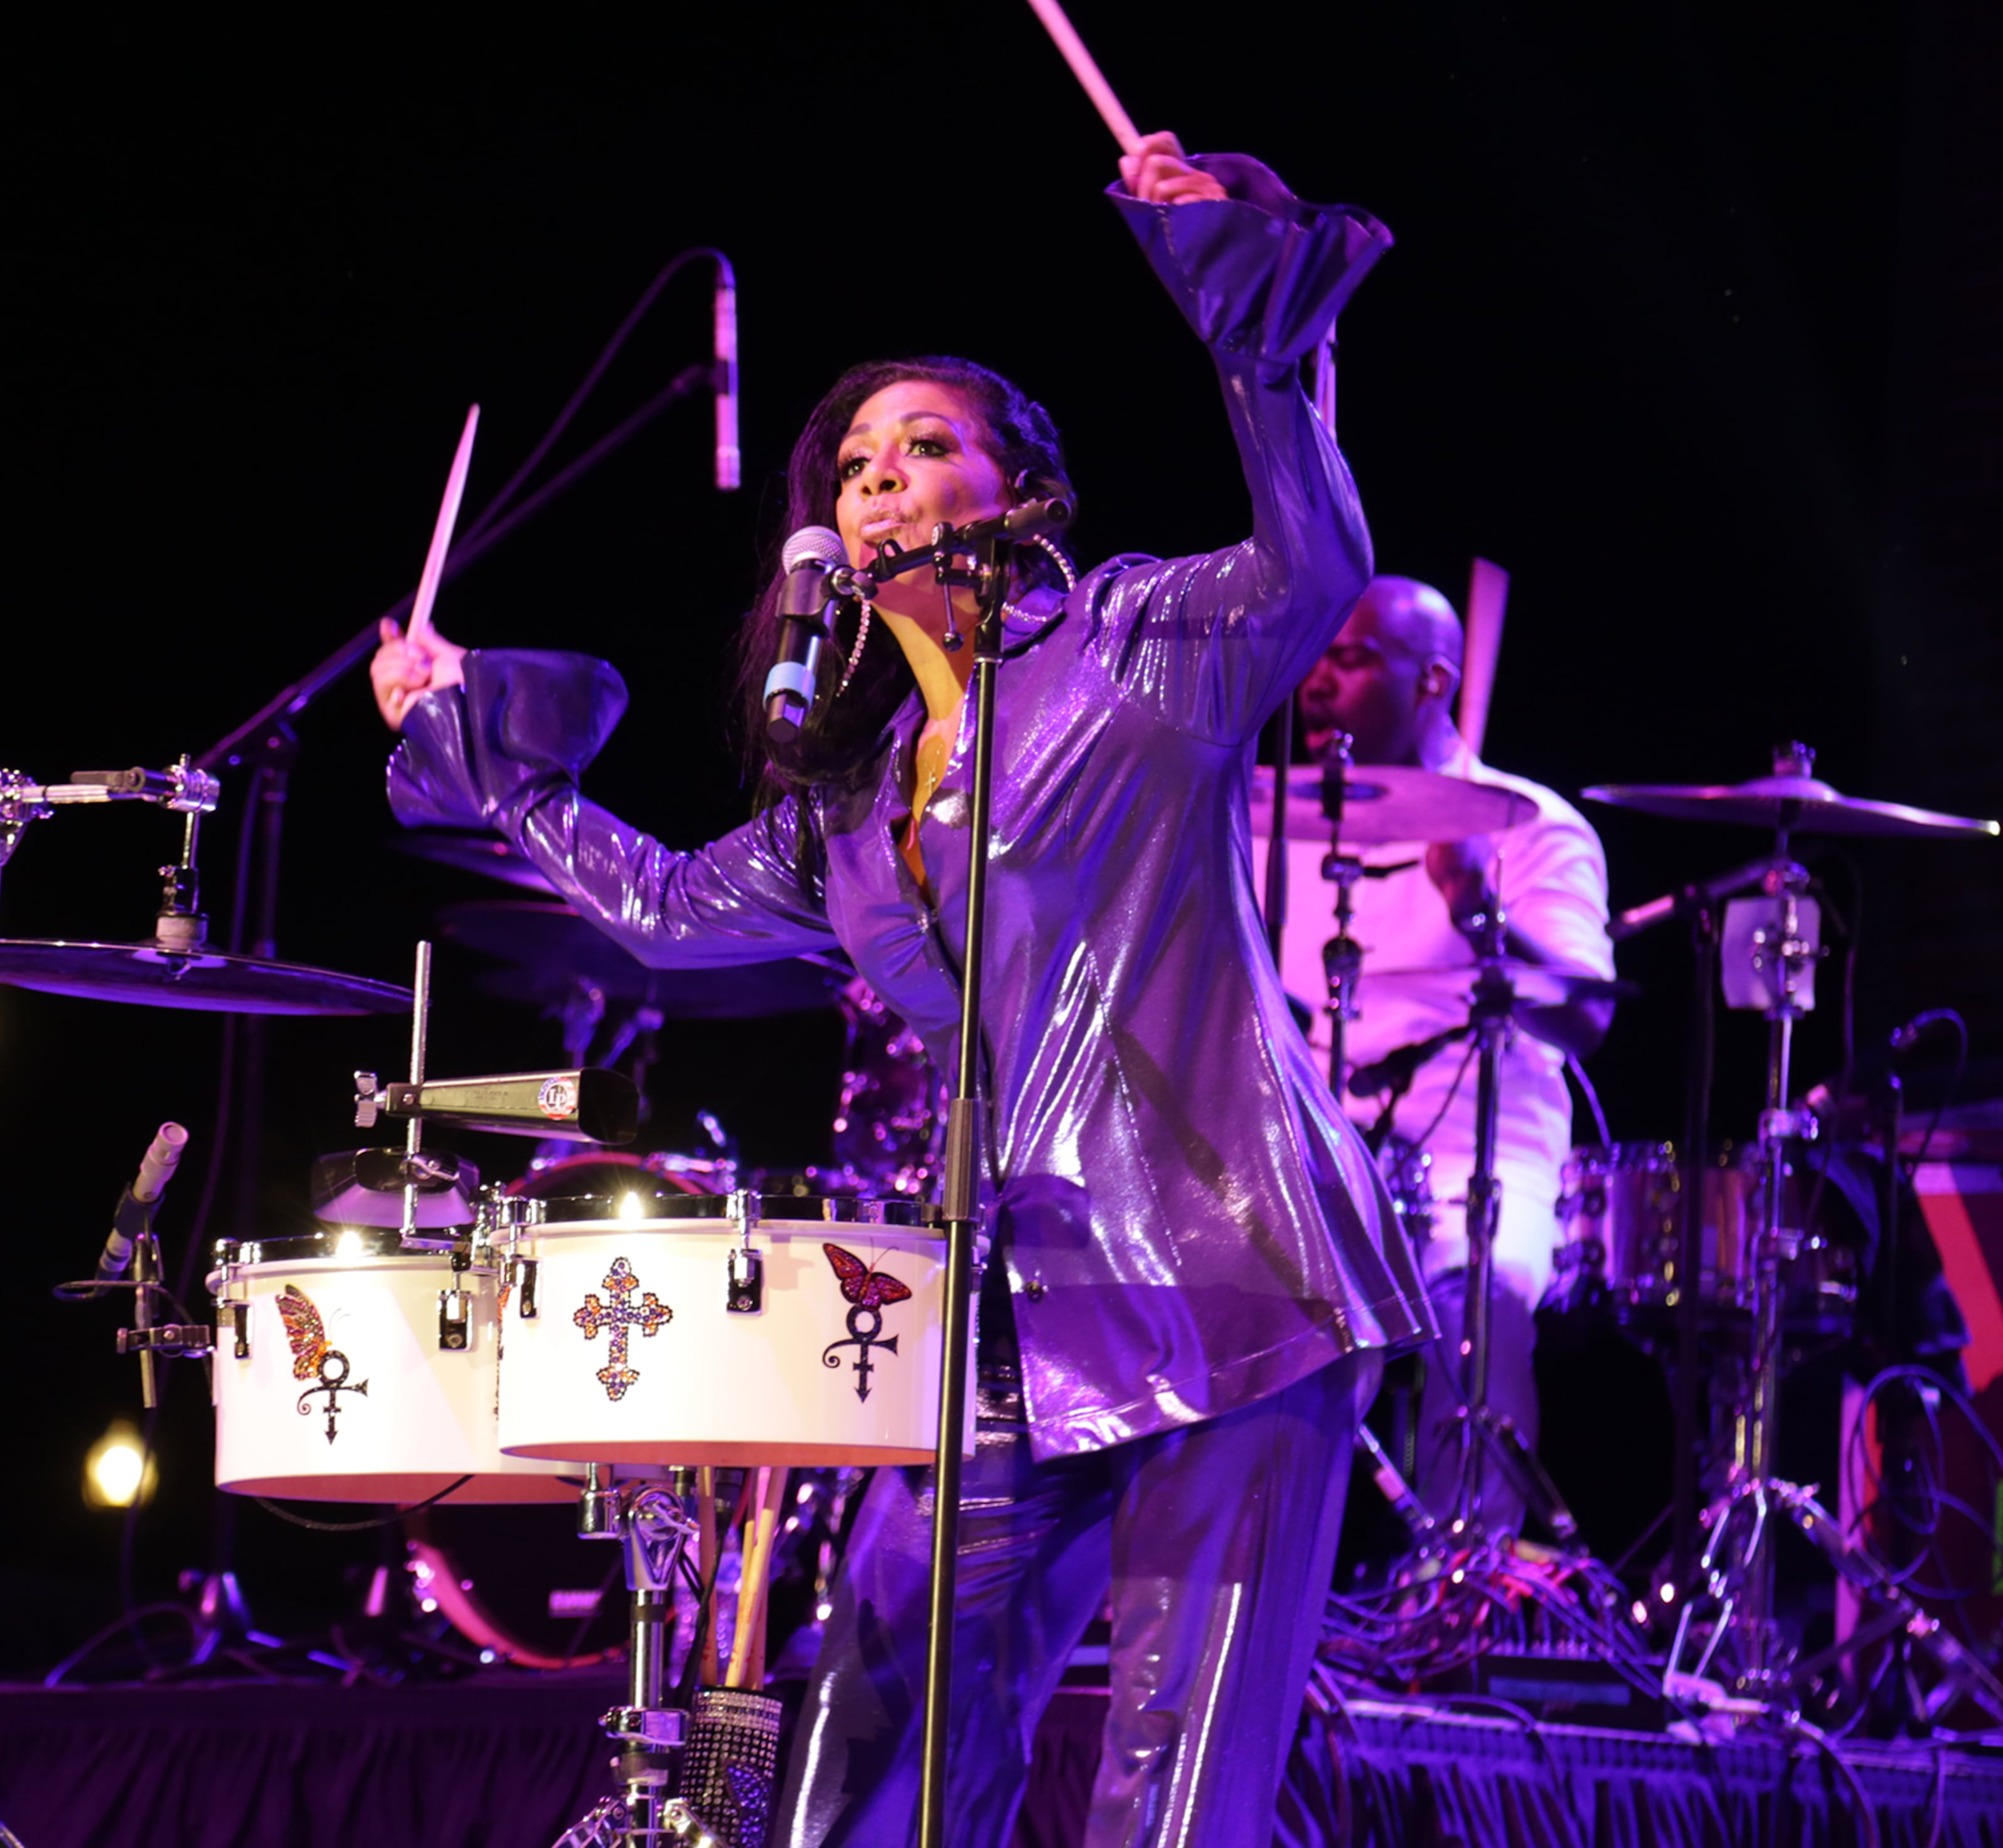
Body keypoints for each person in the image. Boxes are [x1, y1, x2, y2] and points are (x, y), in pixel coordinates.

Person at [373, 133, 1427, 1848]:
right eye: (855, 460)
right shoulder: (850, 812)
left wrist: (1242, 300)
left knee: (1173, 1796)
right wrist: (472, 747)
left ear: (1019, 492)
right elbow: (658, 909)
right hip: (1011, 1312)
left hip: (1239, 1294)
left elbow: (1313, 561)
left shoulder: (1144, 649)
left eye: (926, 446)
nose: (878, 480)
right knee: (865, 1752)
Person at [1263, 576, 1614, 1536]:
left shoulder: (1529, 827)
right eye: (1315, 657)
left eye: (1352, 657)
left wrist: (1474, 905)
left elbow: (1582, 1020)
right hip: (1323, 1157)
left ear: (1435, 682)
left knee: (1485, 1304)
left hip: (1476, 1159)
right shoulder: (1274, 828)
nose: (1317, 682)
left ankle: (1466, 1588)